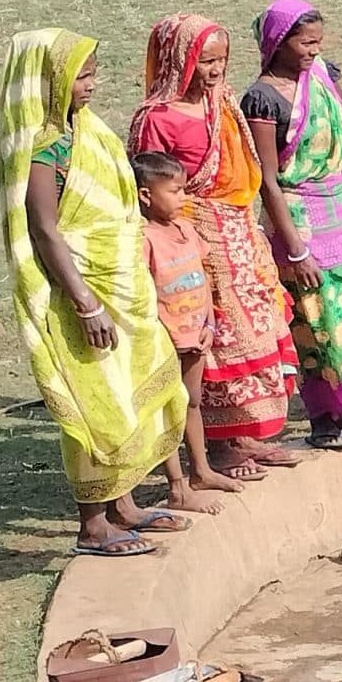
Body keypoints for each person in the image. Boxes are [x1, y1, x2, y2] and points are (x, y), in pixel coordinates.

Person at [0, 30, 191, 557]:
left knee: (127, 392)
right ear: (50, 82)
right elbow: (45, 229)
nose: (91, 85)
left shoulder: (85, 130)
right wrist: (85, 302)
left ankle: (123, 506)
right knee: (94, 403)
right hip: (83, 293)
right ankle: (92, 526)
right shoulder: (46, 147)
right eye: (81, 76)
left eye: (92, 74)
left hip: (120, 285)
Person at [129, 14, 299, 474]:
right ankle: (221, 446)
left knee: (257, 325)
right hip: (195, 233)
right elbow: (150, 184)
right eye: (204, 61)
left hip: (239, 229)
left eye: (221, 59)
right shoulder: (156, 119)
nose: (215, 70)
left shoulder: (221, 103)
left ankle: (245, 434)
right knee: (219, 334)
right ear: (178, 60)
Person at [243, 0, 342, 449]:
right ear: (278, 43)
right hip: (302, 222)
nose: (312, 51)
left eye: (317, 43)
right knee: (317, 322)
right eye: (305, 43)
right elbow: (267, 179)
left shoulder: (322, 80)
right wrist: (294, 247)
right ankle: (327, 418)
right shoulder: (263, 98)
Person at [134, 150, 234, 514]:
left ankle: (201, 470)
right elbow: (144, 294)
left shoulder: (186, 229)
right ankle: (176, 486)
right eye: (175, 192)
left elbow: (203, 278)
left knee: (192, 401)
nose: (183, 198)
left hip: (196, 335)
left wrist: (209, 322)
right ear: (146, 195)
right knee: (168, 408)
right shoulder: (143, 240)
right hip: (167, 341)